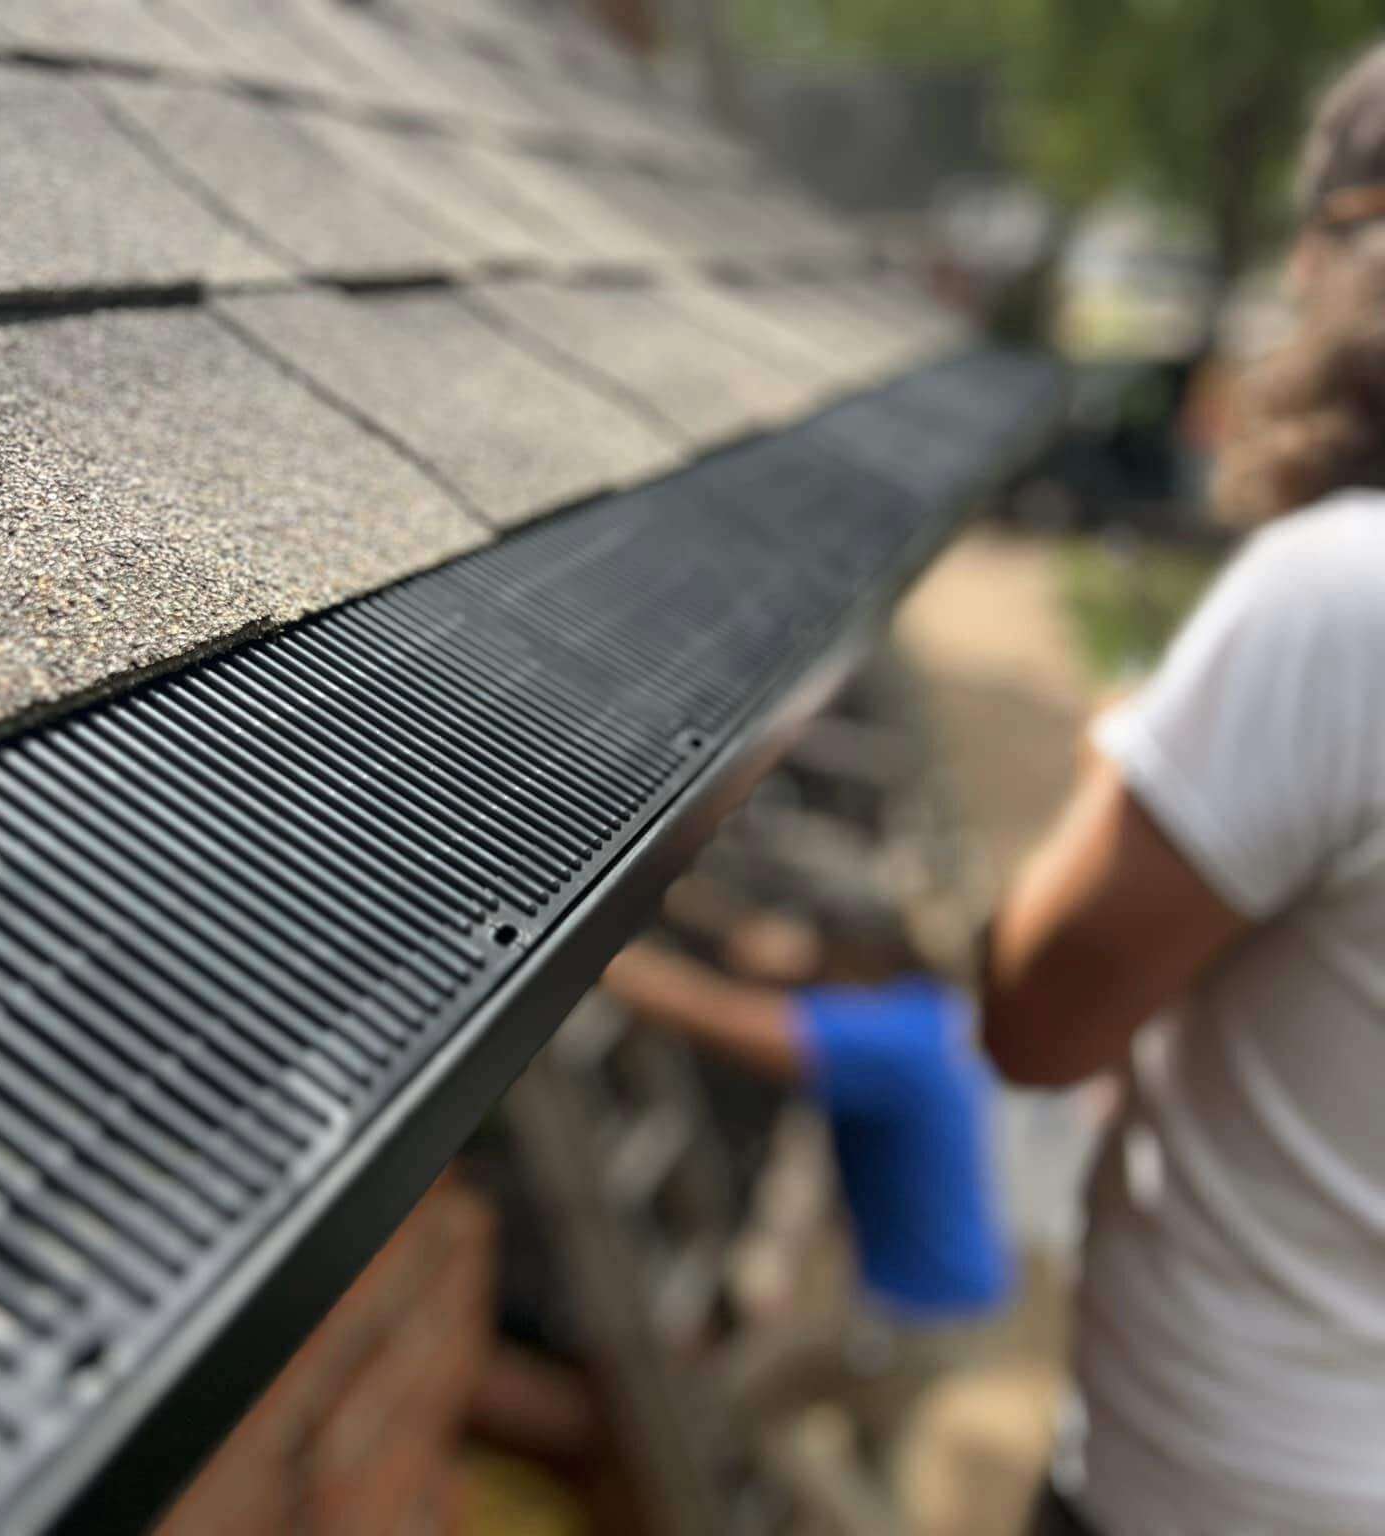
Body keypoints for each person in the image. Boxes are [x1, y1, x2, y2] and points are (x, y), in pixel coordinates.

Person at [982, 41, 1385, 1536]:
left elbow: (1037, 1016)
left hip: (1216, 1491)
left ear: (1349, 246)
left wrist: (1120, 763)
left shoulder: (1344, 598)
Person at [604, 908, 1013, 1331]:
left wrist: (596, 957)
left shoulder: (891, 1042)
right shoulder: (929, 1016)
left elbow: (717, 1016)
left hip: (928, 1316)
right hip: (948, 1298)